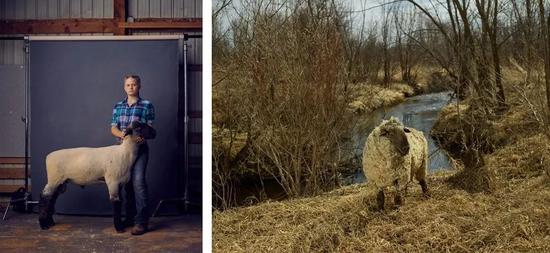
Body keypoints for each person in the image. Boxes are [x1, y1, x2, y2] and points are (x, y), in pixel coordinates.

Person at [110, 74, 155, 235]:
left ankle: (142, 222)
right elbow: (113, 127)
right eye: (128, 85)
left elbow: (149, 128)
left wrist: (142, 136)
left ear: (139, 86)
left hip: (139, 150)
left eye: (134, 85)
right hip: (121, 151)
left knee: (138, 183)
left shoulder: (147, 105)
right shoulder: (118, 106)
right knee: (125, 185)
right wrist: (123, 135)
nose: (131, 87)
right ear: (124, 87)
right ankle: (129, 218)